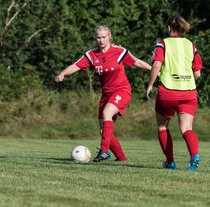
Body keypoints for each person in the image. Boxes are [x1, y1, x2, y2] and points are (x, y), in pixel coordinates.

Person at [56, 25, 151, 162]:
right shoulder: (92, 54)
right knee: (104, 131)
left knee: (107, 114)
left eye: (104, 37)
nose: (101, 40)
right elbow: (76, 65)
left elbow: (137, 62)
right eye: (98, 37)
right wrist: (63, 74)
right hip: (106, 94)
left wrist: (154, 70)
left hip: (122, 90)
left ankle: (104, 151)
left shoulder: (119, 51)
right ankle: (122, 158)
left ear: (110, 36)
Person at [146, 15, 203, 171]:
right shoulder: (190, 45)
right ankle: (194, 156)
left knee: (163, 127)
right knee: (186, 129)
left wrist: (150, 85)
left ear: (169, 28)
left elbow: (156, 65)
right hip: (189, 92)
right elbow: (197, 73)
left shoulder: (162, 44)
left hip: (168, 92)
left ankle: (170, 162)